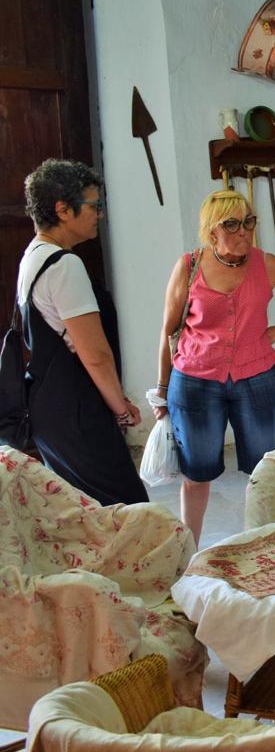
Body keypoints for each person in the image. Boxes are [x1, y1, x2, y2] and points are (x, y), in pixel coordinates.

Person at [154, 190, 275, 545]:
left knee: (263, 471)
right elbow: (168, 331)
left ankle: (262, 546)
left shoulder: (266, 264)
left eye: (249, 222)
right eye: (231, 224)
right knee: (196, 473)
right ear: (211, 231)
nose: (244, 231)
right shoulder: (189, 266)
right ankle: (189, 549)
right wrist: (162, 390)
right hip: (195, 381)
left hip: (257, 380)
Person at [18, 158, 147, 505]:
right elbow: (95, 355)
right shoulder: (64, 265)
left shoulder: (33, 256)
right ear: (63, 209)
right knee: (128, 513)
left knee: (85, 513)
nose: (100, 214)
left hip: (50, 407)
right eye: (94, 205)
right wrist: (119, 407)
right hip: (76, 409)